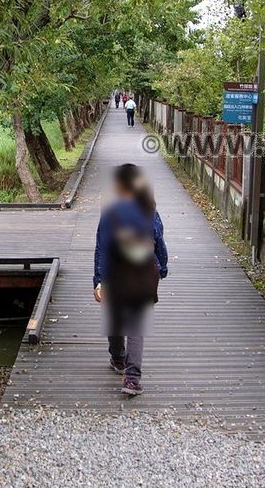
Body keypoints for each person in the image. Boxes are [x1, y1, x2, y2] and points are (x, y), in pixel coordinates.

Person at [93, 164, 168, 395]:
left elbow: (101, 248)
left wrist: (98, 279)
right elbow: (159, 243)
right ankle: (132, 379)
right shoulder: (150, 211)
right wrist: (163, 267)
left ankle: (117, 358)